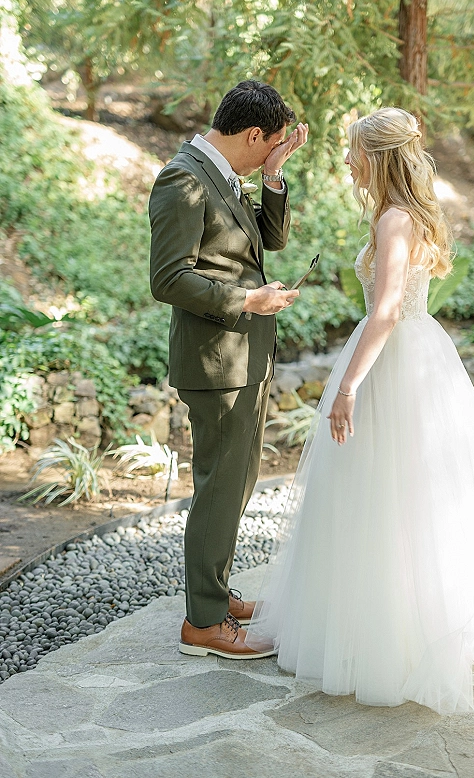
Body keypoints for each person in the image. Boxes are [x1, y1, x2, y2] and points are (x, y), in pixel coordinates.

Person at [247, 107, 474, 713]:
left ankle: (388, 644)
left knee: (388, 496)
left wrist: (347, 387)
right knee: (398, 497)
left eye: (353, 152)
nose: (346, 161)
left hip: (395, 361)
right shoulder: (402, 212)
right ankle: (399, 623)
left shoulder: (396, 220)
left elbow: (387, 310)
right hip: (414, 355)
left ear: (377, 157)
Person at [149, 80, 308, 659]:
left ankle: (214, 592)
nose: (270, 152)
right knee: (219, 488)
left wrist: (273, 178)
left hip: (246, 356)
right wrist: (246, 301)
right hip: (217, 361)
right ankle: (204, 623)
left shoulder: (225, 174)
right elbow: (167, 278)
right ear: (253, 134)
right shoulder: (183, 179)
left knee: (236, 483)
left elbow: (270, 241)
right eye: (269, 147)